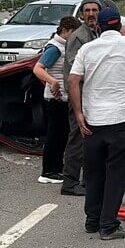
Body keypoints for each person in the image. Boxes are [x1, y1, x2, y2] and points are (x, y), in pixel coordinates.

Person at [69, 8, 125, 241]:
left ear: (99, 26)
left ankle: (92, 220)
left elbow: (73, 80)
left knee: (94, 173)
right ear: (120, 26)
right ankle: (108, 225)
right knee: (116, 175)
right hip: (122, 121)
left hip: (93, 123)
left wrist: (79, 113)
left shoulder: (87, 49)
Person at [58, 0, 106, 196]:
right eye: (87, 10)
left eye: (95, 10)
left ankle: (87, 180)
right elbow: (77, 70)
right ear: (82, 14)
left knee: (89, 139)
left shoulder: (96, 33)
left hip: (91, 96)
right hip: (80, 96)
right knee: (77, 138)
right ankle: (69, 182)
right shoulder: (78, 37)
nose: (91, 13)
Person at [33, 15, 83, 184]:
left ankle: (56, 168)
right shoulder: (55, 48)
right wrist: (52, 81)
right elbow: (38, 68)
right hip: (55, 99)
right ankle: (48, 171)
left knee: (61, 136)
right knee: (55, 136)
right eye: (73, 33)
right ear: (66, 30)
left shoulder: (64, 46)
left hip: (62, 97)